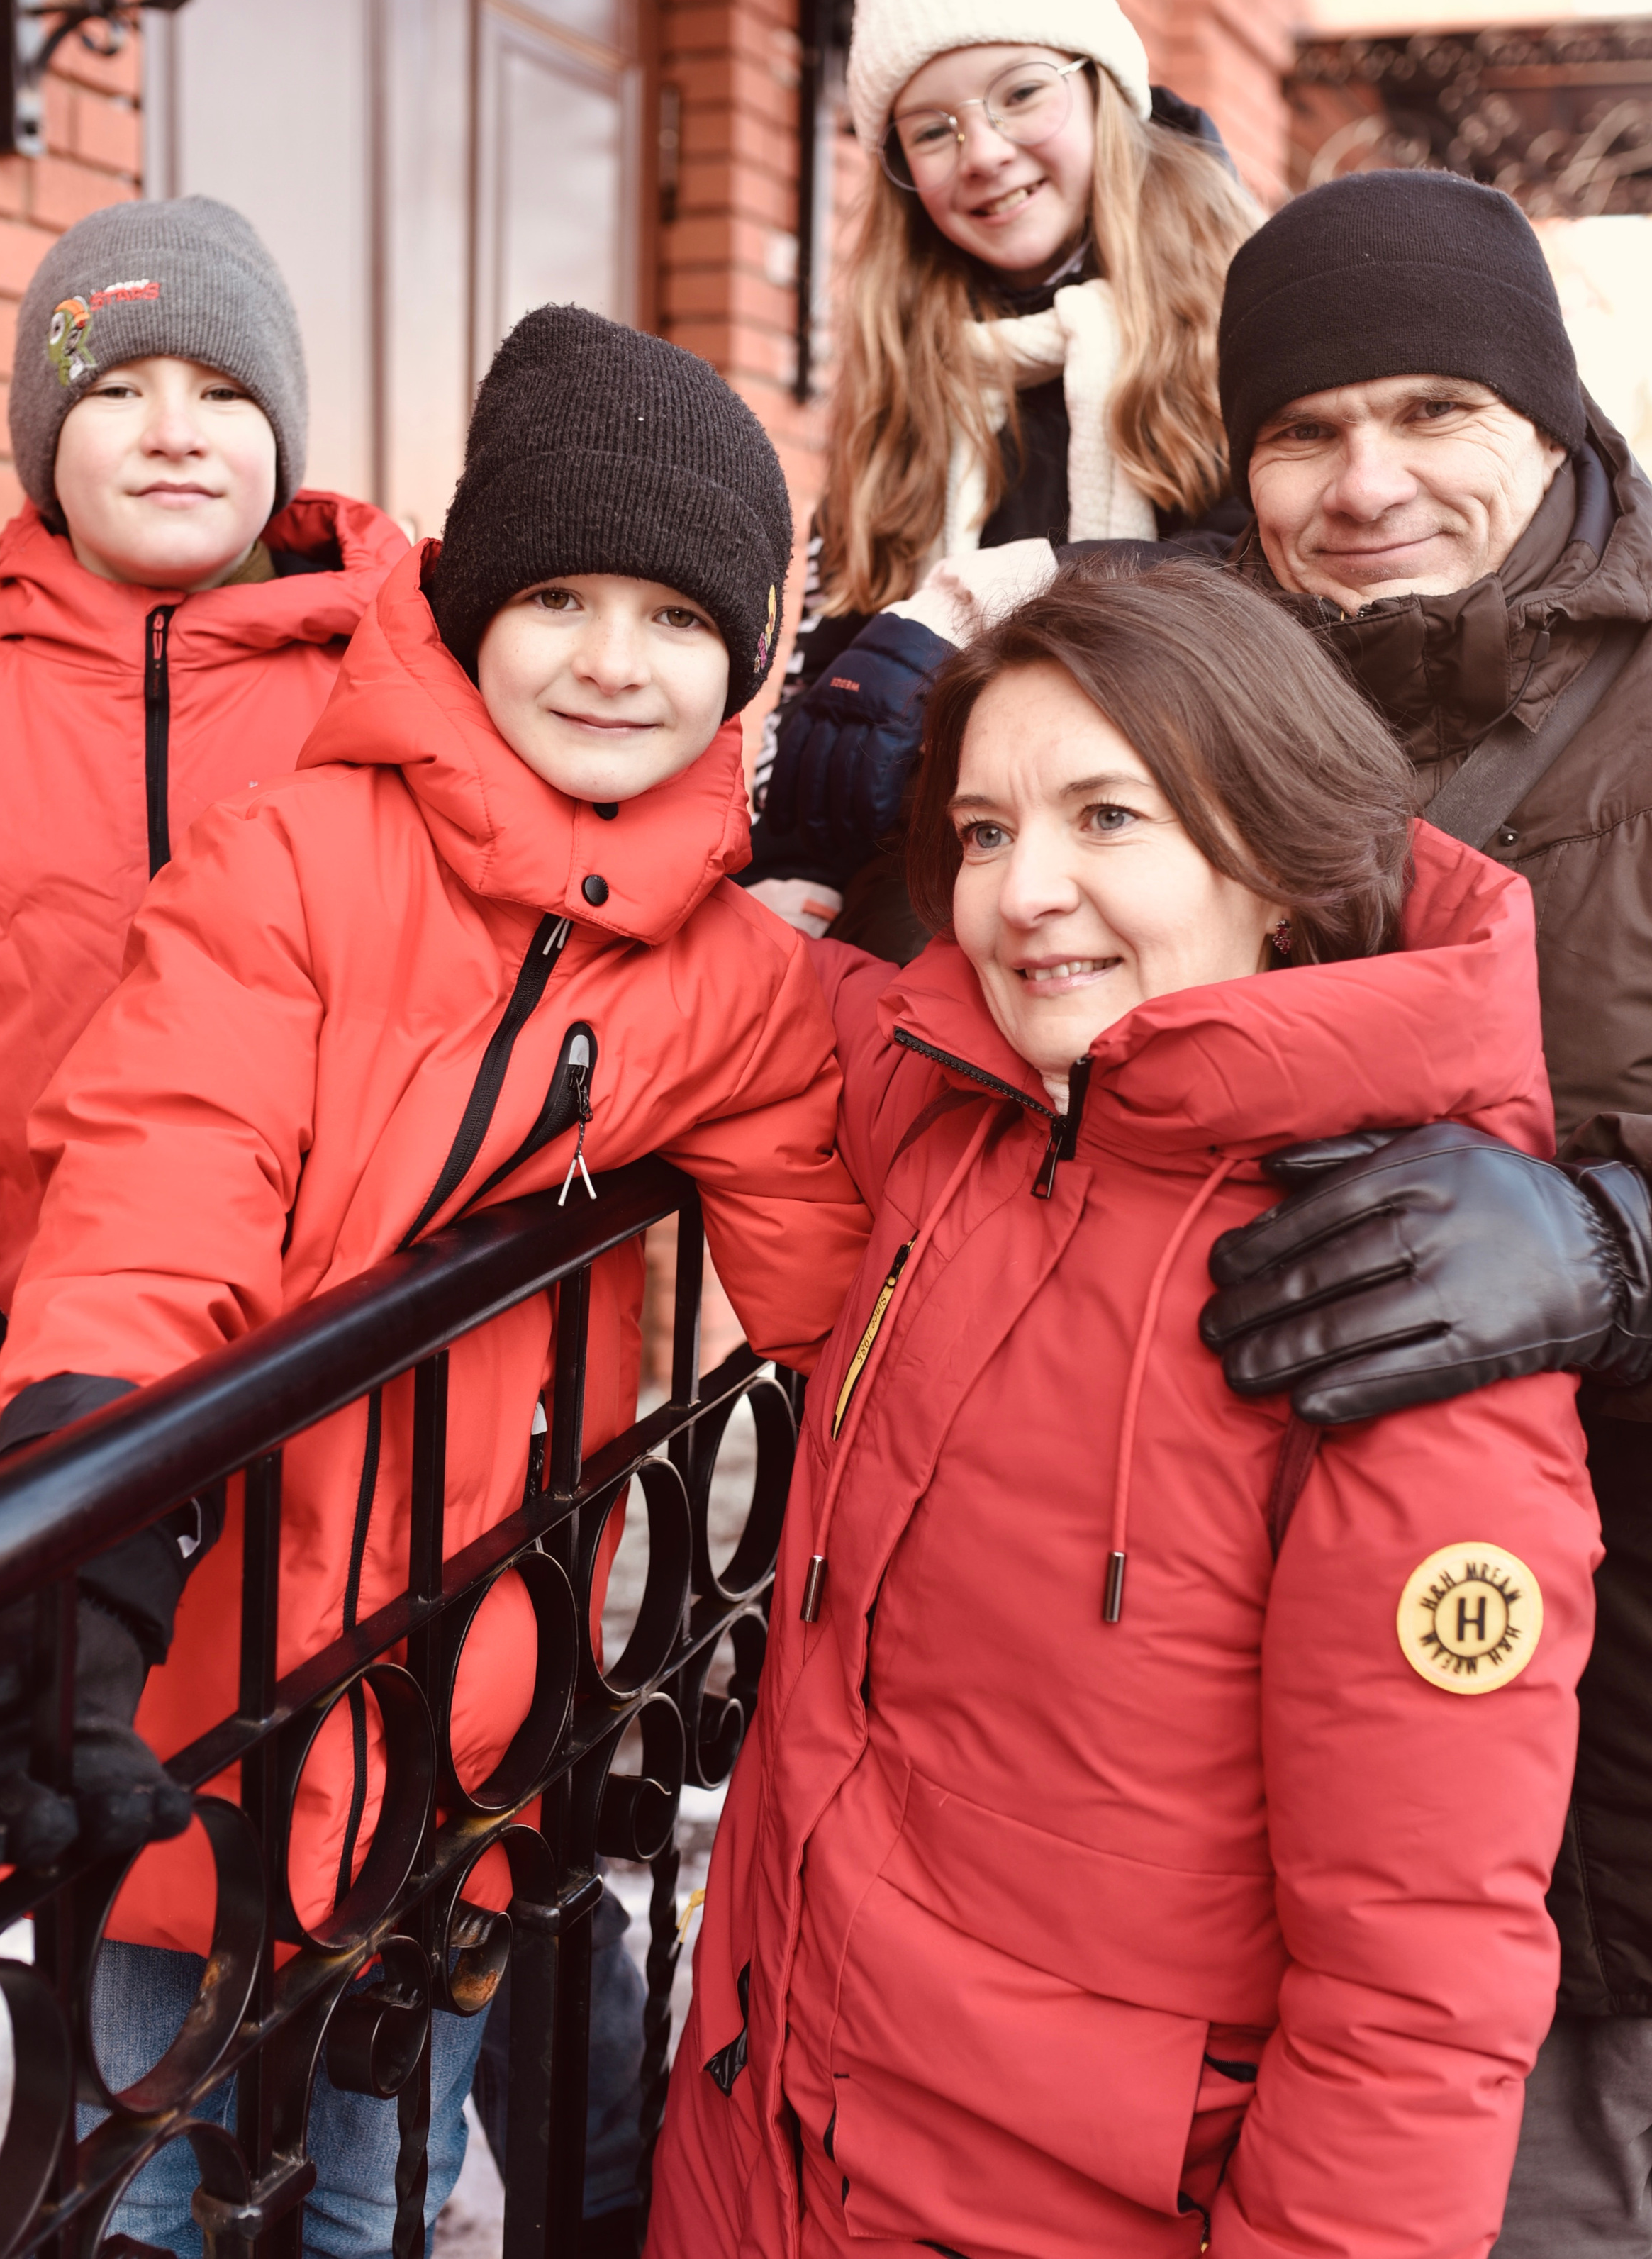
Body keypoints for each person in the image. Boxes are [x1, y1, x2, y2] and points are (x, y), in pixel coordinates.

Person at [0, 303, 872, 2258]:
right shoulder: (290, 860)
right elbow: (166, 1171)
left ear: (747, 658)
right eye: (563, 598)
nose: (615, 660)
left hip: (461, 1714)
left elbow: (835, 1291)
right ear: (466, 605)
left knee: (378, 2192)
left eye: (679, 618)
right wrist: (83, 1487)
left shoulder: (743, 982)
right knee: (149, 2164)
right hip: (198, 1692)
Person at [647, 560, 1600, 2259]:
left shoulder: (1383, 1302)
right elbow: (714, 954)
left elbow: (1416, 1994)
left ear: (1275, 856)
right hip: (758, 2151)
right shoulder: (968, 1116)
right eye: (988, 833)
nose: (1027, 895)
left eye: (1107, 816)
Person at [0, 196, 407, 2116]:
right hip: (32, 1417)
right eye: (119, 388)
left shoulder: (389, 718)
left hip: (312, 1408)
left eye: (225, 388)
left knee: (280, 1865)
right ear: (40, 443)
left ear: (288, 436)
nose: (175, 427)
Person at [1186, 169, 1652, 2255]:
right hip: (1217, 1693)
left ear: (1548, 424)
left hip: (1610, 1744)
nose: (1366, 481)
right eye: (1304, 430)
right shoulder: (1181, 702)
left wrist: (1611, 1250)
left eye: (1433, 412)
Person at [744, 0, 1261, 955]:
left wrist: (979, 596)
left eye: (1020, 91)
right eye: (931, 129)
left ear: (1098, 88)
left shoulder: (1239, 312)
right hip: (950, 888)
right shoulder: (902, 373)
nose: (982, 152)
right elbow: (841, 652)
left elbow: (1260, 579)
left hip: (1195, 873)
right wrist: (793, 864)